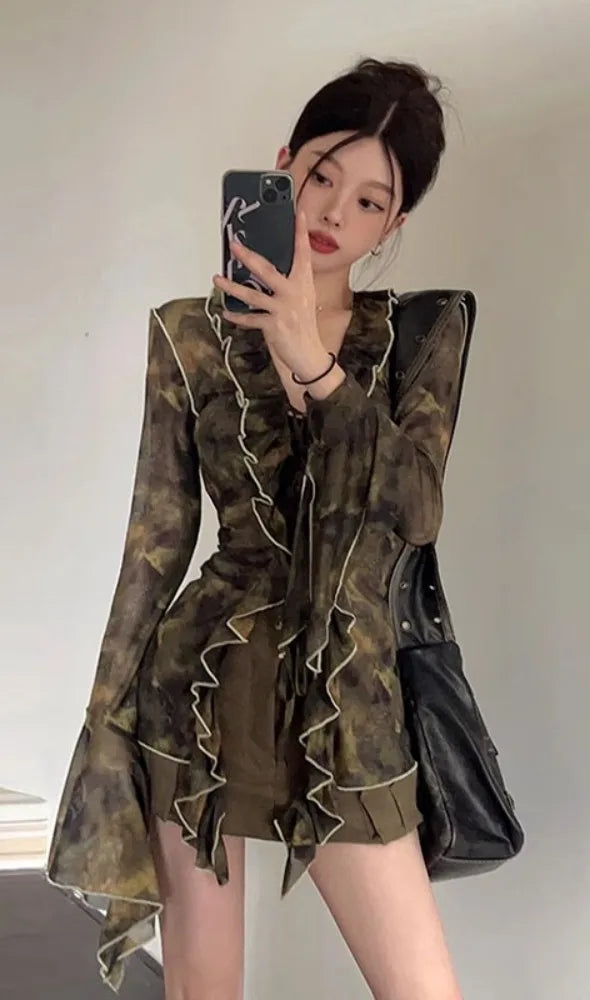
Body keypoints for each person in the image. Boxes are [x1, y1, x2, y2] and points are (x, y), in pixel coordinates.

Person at [46, 57, 473, 1000]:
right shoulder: (189, 333)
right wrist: (102, 731)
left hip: (348, 704)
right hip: (199, 694)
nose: (334, 211)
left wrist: (312, 360)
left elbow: (417, 508)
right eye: (321, 175)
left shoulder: (417, 337)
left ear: (394, 225)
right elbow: (155, 543)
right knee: (205, 991)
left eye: (370, 201)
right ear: (282, 167)